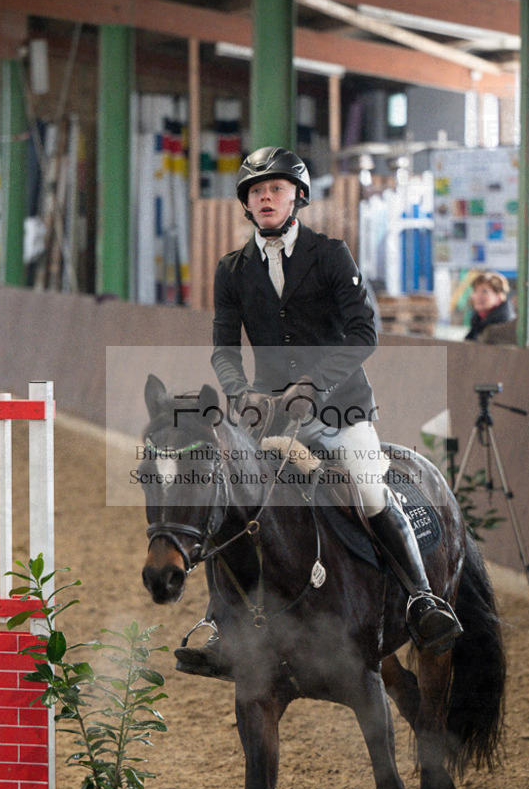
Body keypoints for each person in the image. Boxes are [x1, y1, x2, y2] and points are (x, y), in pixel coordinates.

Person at [176, 146, 462, 679]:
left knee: (367, 487)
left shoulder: (331, 255)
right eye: (256, 191)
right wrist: (240, 392)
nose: (265, 197)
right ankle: (220, 620)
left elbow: (364, 332)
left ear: (297, 197)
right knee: (232, 497)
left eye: (275, 189)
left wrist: (315, 383)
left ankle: (422, 598)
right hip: (271, 416)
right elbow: (223, 349)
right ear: (246, 203)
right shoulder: (232, 269)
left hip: (340, 408)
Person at [465, 272, 516, 342]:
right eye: (475, 291)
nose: (478, 296)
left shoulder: (504, 324)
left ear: (499, 296)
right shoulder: (478, 322)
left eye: (484, 292)